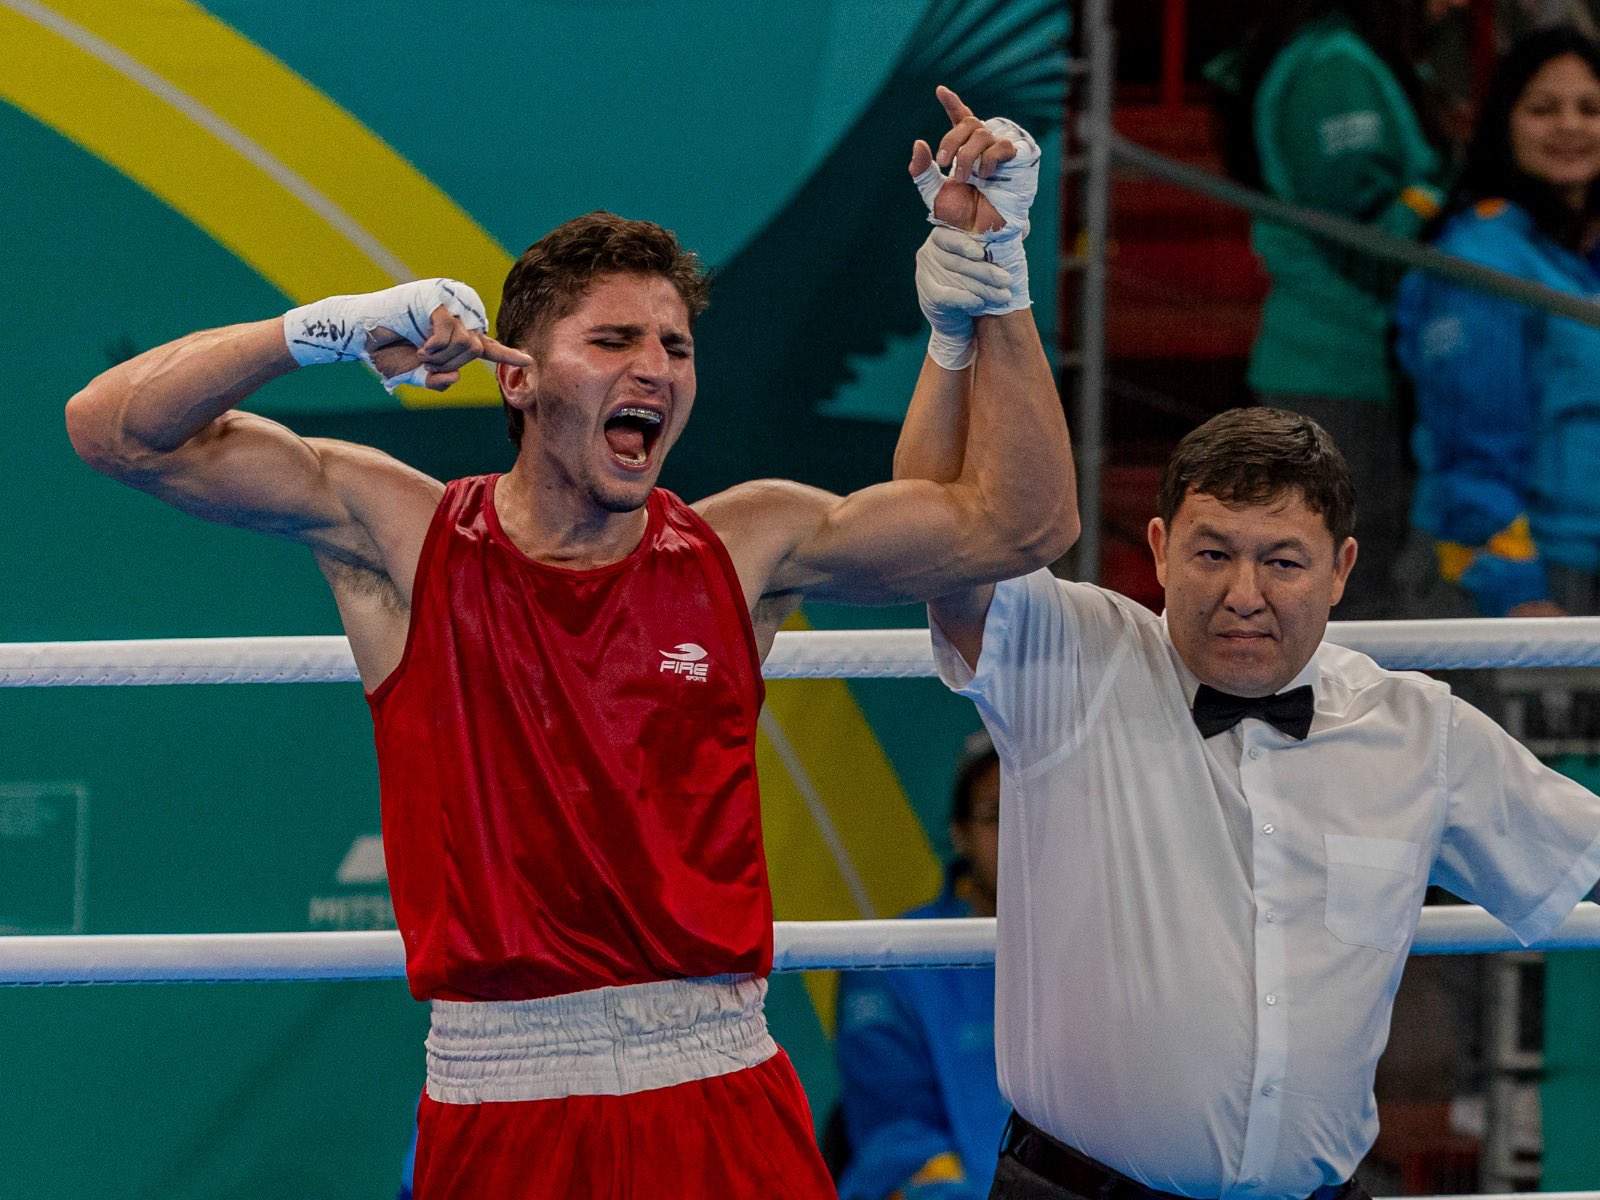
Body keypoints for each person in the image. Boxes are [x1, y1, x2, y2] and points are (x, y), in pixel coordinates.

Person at [64, 89, 1070, 1199]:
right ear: (518, 374)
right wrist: (327, 329)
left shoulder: (745, 545)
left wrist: (997, 284)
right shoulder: (402, 535)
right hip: (503, 1100)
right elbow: (111, 430)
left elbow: (1020, 527)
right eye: (614, 339)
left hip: (722, 1087)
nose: (657, 367)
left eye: (676, 345)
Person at [893, 403, 1600, 1199]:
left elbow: (1585, 855)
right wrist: (959, 341)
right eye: (1213, 552)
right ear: (1160, 550)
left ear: (1341, 569)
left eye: (1283, 562)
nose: (1243, 594)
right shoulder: (1073, 660)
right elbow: (937, 538)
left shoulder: (1418, 732)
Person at [1212, 0, 1464, 619]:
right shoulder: (1333, 65)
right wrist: (1461, 184)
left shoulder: (1343, 53)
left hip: (1354, 373)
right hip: (1341, 376)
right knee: (1348, 605)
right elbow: (1368, 243)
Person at [1397, 27, 1600, 619]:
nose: (1570, 126)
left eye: (1590, 109)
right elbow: (1469, 444)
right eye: (1543, 109)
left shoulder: (1582, 252)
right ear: (1504, 124)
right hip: (1524, 584)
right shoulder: (1479, 258)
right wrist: (1516, 590)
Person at [833, 735, 1008, 1200]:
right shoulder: (892, 958)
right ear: (960, 831)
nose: (1020, 832)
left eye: (1036, 809)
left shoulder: (1102, 945)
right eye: (996, 815)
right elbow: (897, 1141)